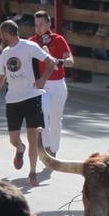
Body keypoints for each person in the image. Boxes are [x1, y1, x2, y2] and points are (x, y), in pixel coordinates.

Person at [0, 20, 56, 185]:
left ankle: (32, 172)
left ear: (7, 33)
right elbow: (1, 77)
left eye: (1, 33)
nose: (0, 36)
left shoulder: (29, 46)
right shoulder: (4, 54)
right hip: (13, 101)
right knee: (13, 140)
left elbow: (50, 62)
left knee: (33, 137)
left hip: (32, 97)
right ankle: (20, 149)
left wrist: (42, 80)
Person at [30, 10, 72, 153]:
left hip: (58, 84)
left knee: (56, 119)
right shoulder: (31, 42)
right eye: (36, 25)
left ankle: (53, 150)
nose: (39, 28)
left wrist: (58, 61)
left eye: (41, 24)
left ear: (49, 24)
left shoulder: (58, 39)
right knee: (43, 116)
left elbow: (70, 61)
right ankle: (46, 147)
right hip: (41, 85)